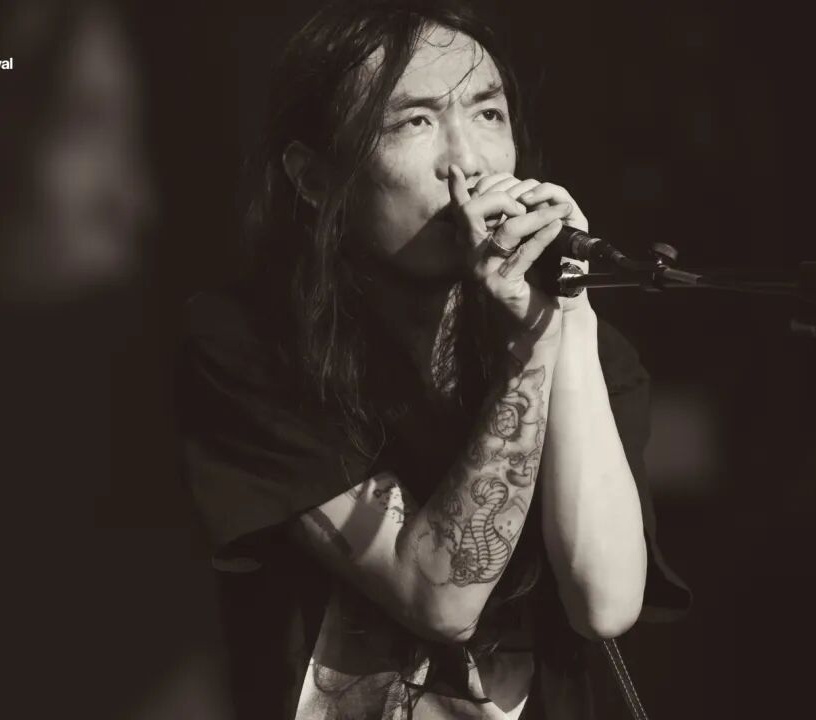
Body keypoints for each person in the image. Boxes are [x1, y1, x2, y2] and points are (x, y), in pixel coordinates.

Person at [178, 1, 691, 717]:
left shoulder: (585, 342)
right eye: (414, 123)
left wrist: (564, 319)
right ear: (315, 178)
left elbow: (603, 603)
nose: (469, 162)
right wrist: (526, 356)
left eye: (488, 114)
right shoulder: (251, 344)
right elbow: (439, 597)